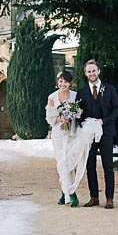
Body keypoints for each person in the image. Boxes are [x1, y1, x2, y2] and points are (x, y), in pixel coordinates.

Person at [76, 60, 118, 208]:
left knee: (108, 166)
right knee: (90, 166)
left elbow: (117, 109)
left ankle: (109, 198)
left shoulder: (109, 89)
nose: (92, 74)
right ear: (85, 73)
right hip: (89, 135)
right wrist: (84, 124)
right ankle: (94, 197)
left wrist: (103, 121)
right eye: (89, 71)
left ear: (98, 71)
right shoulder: (81, 92)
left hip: (106, 133)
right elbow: (78, 113)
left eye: (94, 71)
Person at [47, 71, 80, 207]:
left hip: (72, 133)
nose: (63, 84)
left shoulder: (75, 96)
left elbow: (80, 112)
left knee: (70, 163)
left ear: (70, 83)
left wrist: (73, 114)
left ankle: (65, 191)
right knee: (61, 162)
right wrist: (61, 118)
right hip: (59, 134)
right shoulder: (52, 97)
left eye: (65, 82)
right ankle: (71, 194)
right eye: (61, 81)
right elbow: (49, 118)